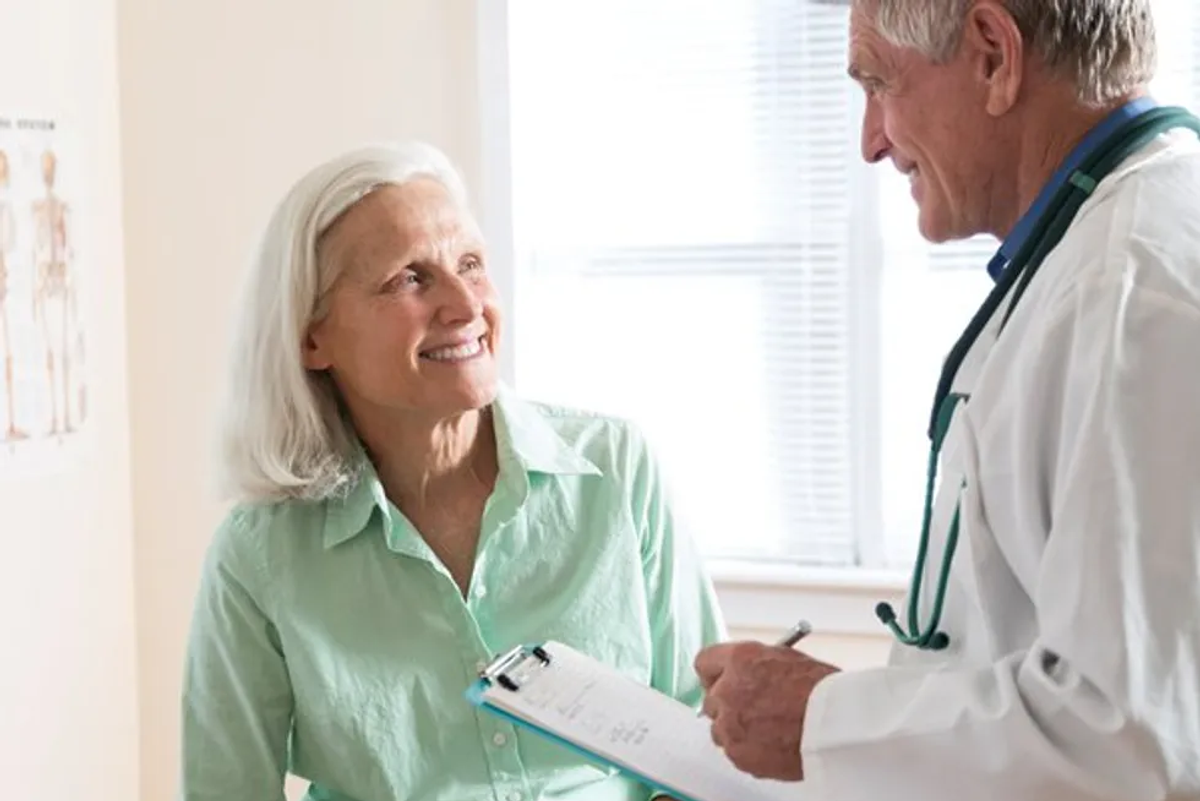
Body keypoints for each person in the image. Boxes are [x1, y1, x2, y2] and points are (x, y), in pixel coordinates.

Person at [695, 1, 1200, 799]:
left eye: (878, 84)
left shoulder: (1130, 288)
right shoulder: (1104, 246)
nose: (870, 142)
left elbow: (1129, 739)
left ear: (994, 56)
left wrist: (822, 718)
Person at [180, 141, 725, 801]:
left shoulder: (615, 468)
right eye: (411, 277)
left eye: (470, 263)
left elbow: (705, 744)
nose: (466, 305)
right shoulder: (260, 554)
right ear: (311, 335)